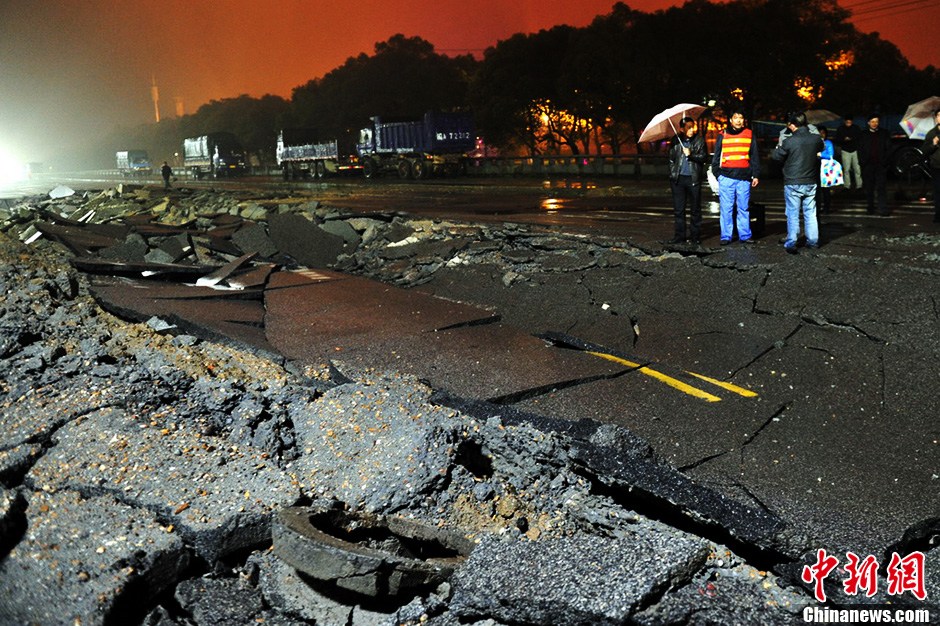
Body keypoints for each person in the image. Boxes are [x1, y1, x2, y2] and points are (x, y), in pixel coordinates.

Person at [772, 112, 824, 254]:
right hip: (811, 180)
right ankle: (813, 241)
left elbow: (776, 156)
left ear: (793, 125)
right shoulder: (816, 139)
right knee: (810, 212)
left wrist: (778, 148)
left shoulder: (789, 141)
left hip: (793, 181)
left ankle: (792, 241)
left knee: (793, 213)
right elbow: (821, 148)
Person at [711, 110, 760, 245]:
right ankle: (726, 236)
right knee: (726, 209)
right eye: (735, 118)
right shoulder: (723, 135)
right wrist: (718, 174)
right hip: (726, 177)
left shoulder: (749, 134)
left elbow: (754, 155)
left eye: (741, 117)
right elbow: (716, 157)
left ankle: (745, 235)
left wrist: (756, 174)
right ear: (731, 120)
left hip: (744, 178)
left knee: (743, 208)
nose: (738, 120)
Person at [667, 117, 708, 244]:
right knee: (679, 210)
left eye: (692, 126)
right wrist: (673, 173)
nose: (691, 129)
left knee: (695, 209)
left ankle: (695, 237)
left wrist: (691, 154)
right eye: (688, 127)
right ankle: (680, 236)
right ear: (681, 129)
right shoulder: (675, 140)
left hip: (693, 179)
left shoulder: (699, 140)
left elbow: (703, 157)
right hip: (678, 180)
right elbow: (671, 159)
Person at [857, 113, 891, 216]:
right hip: (868, 165)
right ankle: (870, 207)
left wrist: (885, 162)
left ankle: (883, 209)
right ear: (868, 123)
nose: (874, 124)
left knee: (881, 188)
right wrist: (863, 162)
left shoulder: (884, 133)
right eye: (872, 122)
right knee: (869, 188)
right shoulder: (863, 134)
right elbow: (860, 149)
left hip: (880, 165)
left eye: (876, 121)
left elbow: (889, 148)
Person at [920, 109, 940, 224]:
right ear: (936, 118)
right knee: (938, 192)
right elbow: (924, 151)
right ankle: (938, 215)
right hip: (937, 167)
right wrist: (933, 144)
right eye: (939, 115)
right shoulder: (931, 133)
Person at [834, 116, 862, 190]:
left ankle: (859, 185)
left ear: (852, 121)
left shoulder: (856, 128)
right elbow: (837, 139)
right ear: (845, 121)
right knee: (846, 169)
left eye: (850, 122)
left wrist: (851, 139)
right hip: (845, 151)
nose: (848, 123)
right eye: (847, 122)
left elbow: (859, 138)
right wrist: (844, 139)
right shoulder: (841, 129)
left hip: (855, 150)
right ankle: (847, 185)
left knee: (857, 169)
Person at [816, 127, 834, 214]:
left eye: (823, 132)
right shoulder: (815, 142)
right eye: (820, 132)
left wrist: (820, 154)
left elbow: (831, 155)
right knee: (817, 190)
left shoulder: (828, 143)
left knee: (826, 190)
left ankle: (826, 208)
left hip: (826, 169)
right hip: (816, 168)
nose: (821, 134)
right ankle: (818, 208)